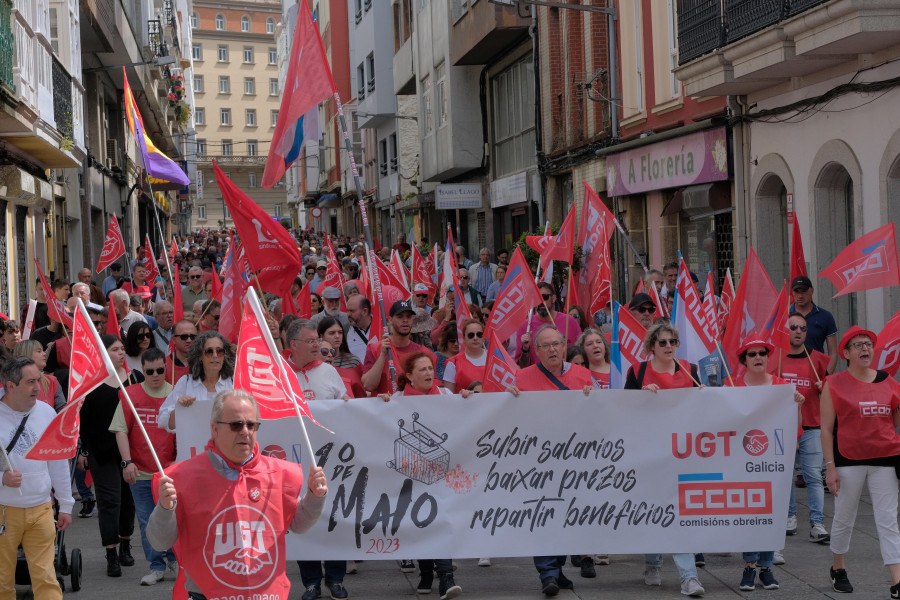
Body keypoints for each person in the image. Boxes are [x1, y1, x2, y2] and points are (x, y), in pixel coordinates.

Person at [147, 390, 328, 599]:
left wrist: (315, 497)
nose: (245, 431)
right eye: (236, 425)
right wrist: (165, 508)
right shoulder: (182, 477)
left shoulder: (278, 474)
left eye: (251, 425)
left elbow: (299, 524)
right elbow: (160, 542)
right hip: (206, 593)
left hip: (266, 593)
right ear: (214, 429)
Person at [505, 325, 591, 597]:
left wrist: (595, 399)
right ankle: (548, 573)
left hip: (573, 460)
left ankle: (558, 568)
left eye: (557, 344)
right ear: (537, 351)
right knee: (542, 514)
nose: (553, 349)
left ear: (565, 346)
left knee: (564, 516)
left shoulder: (583, 375)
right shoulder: (522, 377)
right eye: (546, 345)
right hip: (538, 462)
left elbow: (599, 414)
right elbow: (508, 417)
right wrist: (508, 399)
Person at [624, 322, 705, 596]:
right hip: (649, 453)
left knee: (679, 512)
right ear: (651, 347)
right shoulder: (638, 371)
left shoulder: (690, 370)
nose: (669, 346)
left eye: (673, 342)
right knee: (653, 511)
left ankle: (688, 577)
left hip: (683, 454)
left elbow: (703, 407)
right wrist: (641, 399)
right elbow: (624, 412)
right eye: (663, 342)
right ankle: (653, 563)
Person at [377, 352, 466, 597]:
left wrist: (468, 399)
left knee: (441, 521)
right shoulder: (397, 399)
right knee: (421, 522)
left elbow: (465, 418)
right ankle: (426, 571)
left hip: (440, 473)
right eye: (423, 370)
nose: (429, 373)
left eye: (431, 368)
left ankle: (446, 578)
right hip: (411, 474)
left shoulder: (446, 395)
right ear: (409, 376)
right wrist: (380, 403)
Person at [821, 325, 900, 596]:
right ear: (845, 352)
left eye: (868, 343)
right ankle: (838, 568)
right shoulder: (834, 383)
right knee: (844, 517)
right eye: (858, 345)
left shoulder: (889, 381)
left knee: (888, 520)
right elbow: (825, 429)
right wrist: (830, 467)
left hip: (885, 458)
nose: (865, 348)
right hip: (848, 458)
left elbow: (894, 418)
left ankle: (896, 581)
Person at [728, 339, 804, 592]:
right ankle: (750, 566)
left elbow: (795, 425)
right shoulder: (732, 385)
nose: (759, 357)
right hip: (742, 460)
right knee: (749, 512)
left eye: (763, 353)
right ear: (744, 360)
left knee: (772, 512)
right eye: (753, 354)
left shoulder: (783, 387)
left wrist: (798, 405)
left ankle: (766, 567)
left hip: (774, 460)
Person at [0, 357, 74, 600]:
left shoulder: (46, 411)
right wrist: (2, 478)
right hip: (3, 512)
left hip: (42, 510)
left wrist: (65, 504)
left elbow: (58, 460)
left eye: (39, 380)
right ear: (10, 386)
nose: (37, 388)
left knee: (46, 579)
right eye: (30, 382)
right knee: (2, 582)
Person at [109, 348, 178, 586]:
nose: (156, 375)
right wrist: (127, 462)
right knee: (147, 520)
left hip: (170, 472)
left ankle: (174, 559)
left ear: (165, 369)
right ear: (143, 371)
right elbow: (120, 430)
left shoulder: (177, 394)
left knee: (173, 518)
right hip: (140, 471)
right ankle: (156, 566)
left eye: (160, 370)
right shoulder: (129, 395)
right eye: (150, 372)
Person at [79, 334, 143, 577]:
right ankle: (111, 552)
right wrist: (83, 449)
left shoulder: (135, 378)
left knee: (128, 500)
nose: (121, 353)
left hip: (130, 450)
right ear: (104, 353)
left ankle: (126, 545)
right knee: (109, 501)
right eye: (115, 349)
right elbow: (84, 419)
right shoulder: (92, 382)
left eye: (122, 349)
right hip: (100, 450)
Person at [774, 312, 830, 542]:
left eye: (803, 328)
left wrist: (823, 387)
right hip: (783, 427)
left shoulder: (817, 359)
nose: (798, 331)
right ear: (785, 331)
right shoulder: (774, 358)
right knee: (785, 476)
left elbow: (830, 393)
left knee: (814, 476)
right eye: (794, 327)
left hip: (812, 426)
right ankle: (790, 516)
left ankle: (817, 523)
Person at [158, 331, 235, 433]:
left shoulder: (234, 382)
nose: (215, 355)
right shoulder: (186, 382)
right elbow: (164, 421)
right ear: (200, 357)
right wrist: (180, 408)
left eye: (220, 351)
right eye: (209, 351)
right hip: (195, 447)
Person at [362, 300, 437, 396]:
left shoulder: (424, 353)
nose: (405, 320)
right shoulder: (375, 349)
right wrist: (382, 355)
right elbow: (368, 385)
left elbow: (433, 388)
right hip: (385, 408)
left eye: (408, 317)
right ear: (390, 319)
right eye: (400, 316)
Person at [515, 282, 582, 366]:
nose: (541, 301)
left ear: (553, 298)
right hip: (539, 377)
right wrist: (525, 349)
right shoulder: (525, 326)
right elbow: (522, 365)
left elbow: (581, 354)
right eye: (537, 298)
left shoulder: (570, 321)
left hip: (566, 376)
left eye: (545, 297)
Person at [285, 320, 349, 402]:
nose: (316, 345)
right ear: (294, 344)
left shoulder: (329, 371)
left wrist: (345, 400)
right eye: (310, 341)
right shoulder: (280, 373)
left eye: (317, 340)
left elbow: (343, 401)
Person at [789, 275, 838, 374]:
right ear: (792, 293)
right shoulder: (783, 315)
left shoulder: (825, 316)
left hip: (816, 372)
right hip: (789, 371)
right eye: (797, 292)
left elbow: (833, 353)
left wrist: (826, 378)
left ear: (811, 291)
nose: (800, 296)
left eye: (803, 291)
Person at [12, 340, 65, 411]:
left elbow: (63, 411)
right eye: (39, 351)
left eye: (43, 351)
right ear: (26, 354)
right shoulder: (9, 382)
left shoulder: (52, 381)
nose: (44, 354)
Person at [317, 316, 364, 397]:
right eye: (332, 333)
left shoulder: (354, 361)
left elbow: (361, 394)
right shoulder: (314, 362)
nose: (337, 336)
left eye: (340, 332)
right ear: (321, 336)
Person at [443, 318, 486, 393]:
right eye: (471, 335)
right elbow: (448, 397)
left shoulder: (495, 359)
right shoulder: (453, 363)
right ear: (463, 338)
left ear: (483, 337)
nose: (475, 338)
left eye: (479, 334)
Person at [166, 319, 197, 386]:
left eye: (192, 337)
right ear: (173, 339)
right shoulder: (164, 365)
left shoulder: (204, 363)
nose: (189, 340)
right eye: (184, 337)